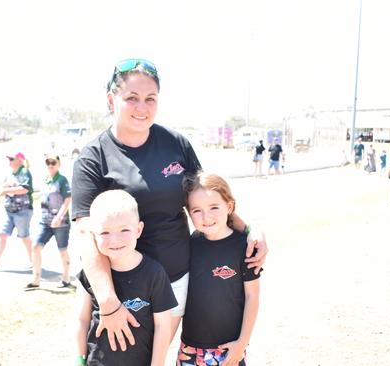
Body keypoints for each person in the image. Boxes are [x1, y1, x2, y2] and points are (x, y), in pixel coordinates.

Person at [71, 58, 268, 352]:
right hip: (123, 286)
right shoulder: (93, 158)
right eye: (132, 98)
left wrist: (248, 228)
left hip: (177, 277)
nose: (142, 107)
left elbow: (205, 199)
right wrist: (109, 302)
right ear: (111, 100)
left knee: (156, 357)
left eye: (150, 98)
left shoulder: (176, 144)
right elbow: (87, 236)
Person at [75, 190, 176, 366]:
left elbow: (163, 326)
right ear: (93, 234)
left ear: (139, 230)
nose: (115, 240)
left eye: (124, 230)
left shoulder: (154, 273)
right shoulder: (90, 273)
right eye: (105, 232)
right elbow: (82, 320)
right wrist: (79, 360)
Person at [179, 172, 261, 366]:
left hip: (229, 348)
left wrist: (242, 343)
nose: (206, 217)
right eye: (197, 211)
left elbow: (253, 297)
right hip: (189, 347)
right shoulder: (191, 243)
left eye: (214, 207)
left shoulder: (245, 247)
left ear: (229, 206)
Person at [26, 153, 73, 290]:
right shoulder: (46, 180)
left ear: (59, 164)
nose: (51, 166)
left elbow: (68, 200)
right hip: (45, 222)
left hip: (61, 223)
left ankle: (66, 278)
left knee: (62, 250)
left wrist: (58, 217)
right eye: (48, 163)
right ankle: (36, 279)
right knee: (36, 247)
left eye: (53, 163)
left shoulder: (62, 180)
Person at [0, 152, 34, 270]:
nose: (9, 160)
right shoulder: (10, 174)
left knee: (24, 237)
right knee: (2, 235)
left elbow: (25, 189)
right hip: (9, 210)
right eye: (9, 158)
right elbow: (5, 186)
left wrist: (5, 191)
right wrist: (1, 190)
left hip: (22, 210)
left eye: (11, 158)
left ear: (20, 160)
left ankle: (34, 261)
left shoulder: (24, 172)